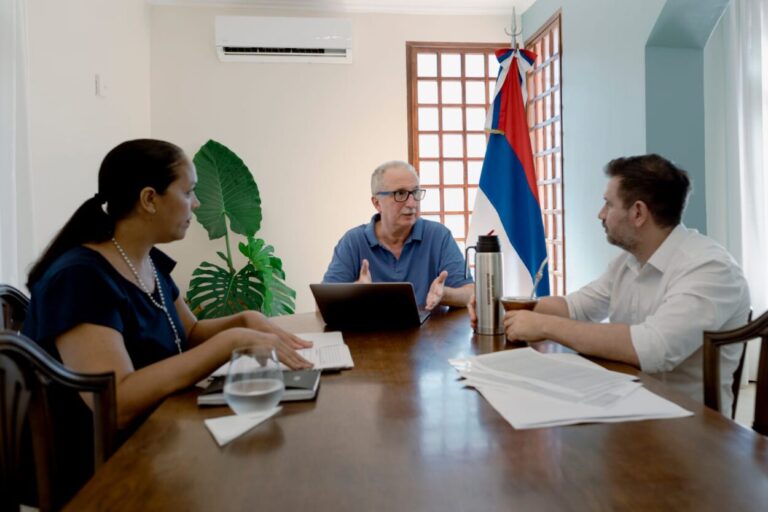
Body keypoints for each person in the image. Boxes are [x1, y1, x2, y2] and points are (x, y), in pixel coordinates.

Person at [21, 139, 312, 502]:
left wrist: (246, 319)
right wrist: (230, 341)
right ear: (148, 199)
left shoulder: (146, 260)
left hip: (157, 431)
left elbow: (187, 333)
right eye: (188, 192)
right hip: (103, 470)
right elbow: (117, 402)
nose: (197, 204)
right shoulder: (79, 279)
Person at [472, 154, 750, 410]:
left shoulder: (709, 268)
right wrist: (495, 308)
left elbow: (652, 348)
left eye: (608, 203)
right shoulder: (628, 262)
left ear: (638, 213)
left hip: (691, 429)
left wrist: (544, 326)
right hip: (629, 405)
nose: (600, 214)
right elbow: (574, 307)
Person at [322, 160, 473, 309]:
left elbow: (471, 293)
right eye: (400, 194)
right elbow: (322, 304)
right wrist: (355, 291)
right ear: (377, 203)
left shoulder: (438, 236)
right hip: (371, 333)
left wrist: (445, 295)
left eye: (415, 193)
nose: (412, 203)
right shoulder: (353, 241)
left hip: (429, 333)